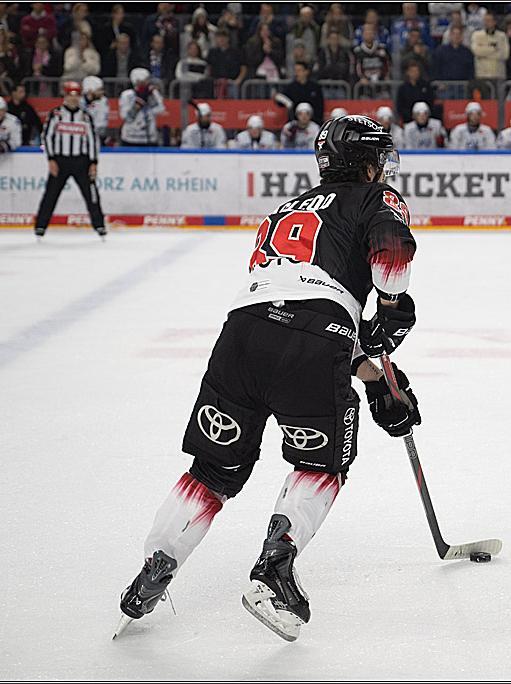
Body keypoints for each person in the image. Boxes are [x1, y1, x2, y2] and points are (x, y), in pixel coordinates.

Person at [115, 114, 418, 644]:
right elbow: (386, 257)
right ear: (367, 162)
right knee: (320, 464)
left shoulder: (287, 207)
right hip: (315, 337)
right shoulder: (377, 199)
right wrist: (390, 309)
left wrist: (372, 376)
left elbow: (293, 306)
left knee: (211, 469)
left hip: (242, 334)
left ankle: (155, 566)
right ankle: (274, 571)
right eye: (379, 158)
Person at [34, 81, 105, 239]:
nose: (73, 99)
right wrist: (51, 159)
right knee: (51, 194)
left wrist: (93, 162)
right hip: (61, 161)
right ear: (64, 96)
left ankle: (99, 225)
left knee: (91, 194)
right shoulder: (56, 114)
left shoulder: (85, 116)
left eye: (76, 95)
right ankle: (40, 225)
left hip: (82, 161)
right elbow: (47, 137)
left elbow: (93, 140)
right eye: (70, 95)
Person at [119, 67, 166, 146]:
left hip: (149, 138)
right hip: (130, 138)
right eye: (146, 79)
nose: (148, 82)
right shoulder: (127, 95)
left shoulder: (153, 92)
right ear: (137, 81)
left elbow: (161, 109)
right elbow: (126, 117)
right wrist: (137, 105)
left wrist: (150, 99)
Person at [275, 59, 324, 124]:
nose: (296, 73)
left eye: (299, 71)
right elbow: (282, 102)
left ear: (306, 72)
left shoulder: (315, 87)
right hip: (296, 124)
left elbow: (319, 107)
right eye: (296, 71)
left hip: (312, 123)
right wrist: (276, 99)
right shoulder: (291, 87)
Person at [470, 11, 509, 83]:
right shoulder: (476, 35)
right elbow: (476, 51)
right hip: (481, 75)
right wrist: (494, 49)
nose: (486, 22)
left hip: (498, 75)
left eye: (489, 20)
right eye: (485, 20)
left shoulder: (502, 36)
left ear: (494, 22)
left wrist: (484, 53)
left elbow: (505, 55)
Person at [81, 75, 108, 142]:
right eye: (99, 90)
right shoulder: (77, 101)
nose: (102, 92)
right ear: (90, 91)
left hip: (95, 136)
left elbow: (101, 124)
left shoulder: (103, 101)